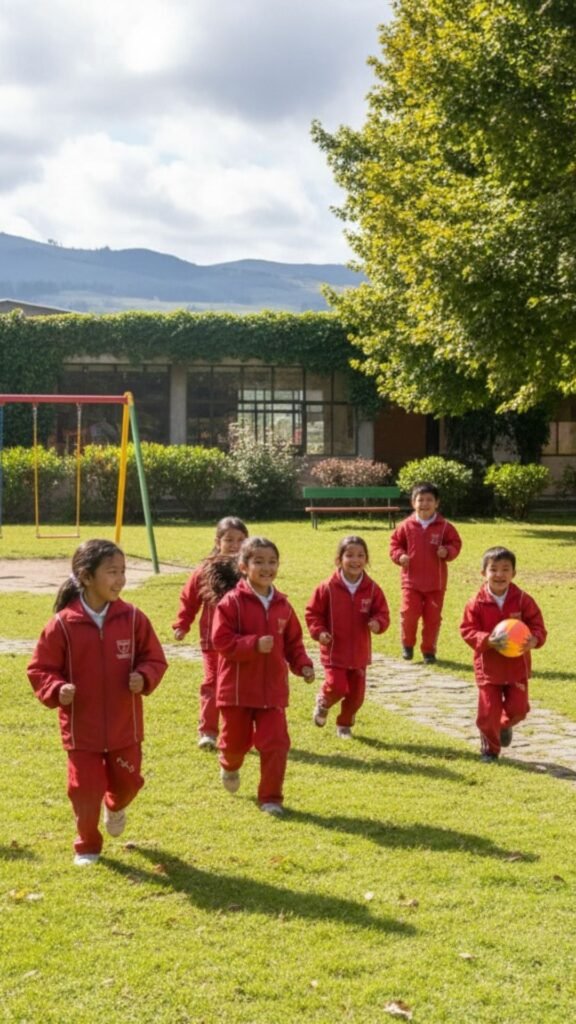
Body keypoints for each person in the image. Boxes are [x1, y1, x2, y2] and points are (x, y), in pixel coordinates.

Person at [27, 539, 167, 865]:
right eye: (111, 572)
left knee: (129, 782)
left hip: (124, 726)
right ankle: (87, 845)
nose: (119, 579)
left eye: (123, 571)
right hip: (82, 730)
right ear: (86, 577)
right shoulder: (62, 624)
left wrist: (144, 676)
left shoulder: (133, 618)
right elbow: (40, 668)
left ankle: (115, 806)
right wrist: (56, 688)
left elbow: (155, 659)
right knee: (85, 789)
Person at [211, 536, 314, 816]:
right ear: (243, 567)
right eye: (259, 561)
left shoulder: (283, 605)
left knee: (276, 743)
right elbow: (221, 640)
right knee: (235, 745)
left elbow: (293, 643)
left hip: (272, 692)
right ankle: (229, 764)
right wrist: (253, 644)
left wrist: (303, 665)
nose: (267, 568)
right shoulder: (231, 603)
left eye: (272, 562)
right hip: (236, 691)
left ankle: (271, 798)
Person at [460, 545, 547, 763]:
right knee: (488, 712)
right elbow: (467, 630)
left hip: (517, 667)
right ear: (484, 573)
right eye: (494, 569)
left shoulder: (522, 600)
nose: (499, 574)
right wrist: (486, 640)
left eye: (505, 569)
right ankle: (490, 750)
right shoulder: (476, 603)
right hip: (489, 668)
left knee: (519, 709)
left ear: (513, 574)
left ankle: (504, 724)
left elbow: (538, 626)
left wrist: (535, 639)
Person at [172, 516, 248, 750]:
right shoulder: (204, 571)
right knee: (212, 683)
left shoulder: (250, 569)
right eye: (229, 540)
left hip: (241, 640)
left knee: (240, 686)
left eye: (240, 540)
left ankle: (238, 731)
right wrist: (181, 624)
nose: (234, 545)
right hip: (212, 640)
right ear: (218, 541)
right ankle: (208, 732)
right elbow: (189, 599)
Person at [305, 535, 390, 738]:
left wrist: (378, 623)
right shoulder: (327, 587)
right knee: (337, 686)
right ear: (339, 559)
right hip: (335, 651)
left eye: (361, 555)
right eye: (349, 555)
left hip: (359, 653)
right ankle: (323, 702)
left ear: (366, 560)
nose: (355, 560)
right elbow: (313, 613)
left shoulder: (371, 589)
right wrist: (320, 632)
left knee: (357, 696)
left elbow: (383, 613)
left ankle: (344, 724)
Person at [389, 481, 462, 664]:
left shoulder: (445, 527)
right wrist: (400, 556)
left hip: (435, 584)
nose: (425, 504)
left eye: (429, 500)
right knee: (409, 614)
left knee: (432, 619)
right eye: (420, 500)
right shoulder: (405, 526)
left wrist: (447, 551)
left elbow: (455, 544)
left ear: (437, 503)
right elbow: (394, 545)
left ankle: (429, 651)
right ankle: (407, 645)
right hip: (411, 582)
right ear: (413, 503)